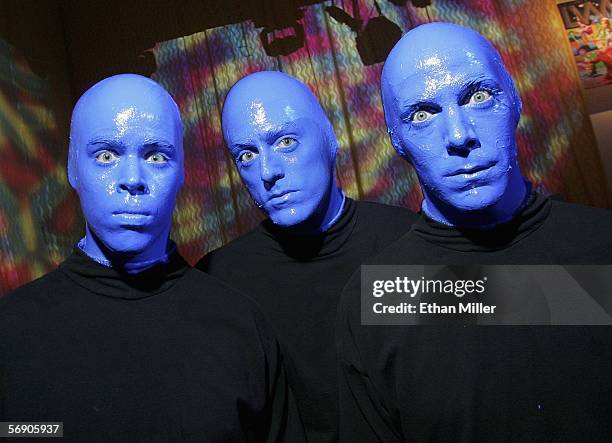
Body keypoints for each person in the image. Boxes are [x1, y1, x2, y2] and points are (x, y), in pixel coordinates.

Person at [337, 22, 612, 442]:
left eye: (479, 97)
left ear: (516, 100)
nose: (460, 136)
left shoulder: (603, 246)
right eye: (423, 114)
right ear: (395, 138)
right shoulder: (381, 293)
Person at [0, 74, 303, 442]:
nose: (132, 179)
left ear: (181, 174)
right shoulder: (12, 333)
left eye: (156, 156)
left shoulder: (239, 324)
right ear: (73, 169)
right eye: (107, 155)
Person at [197, 71, 417, 442]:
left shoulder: (408, 240)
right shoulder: (220, 279)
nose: (268, 171)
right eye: (247, 155)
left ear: (330, 138)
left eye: (285, 141)